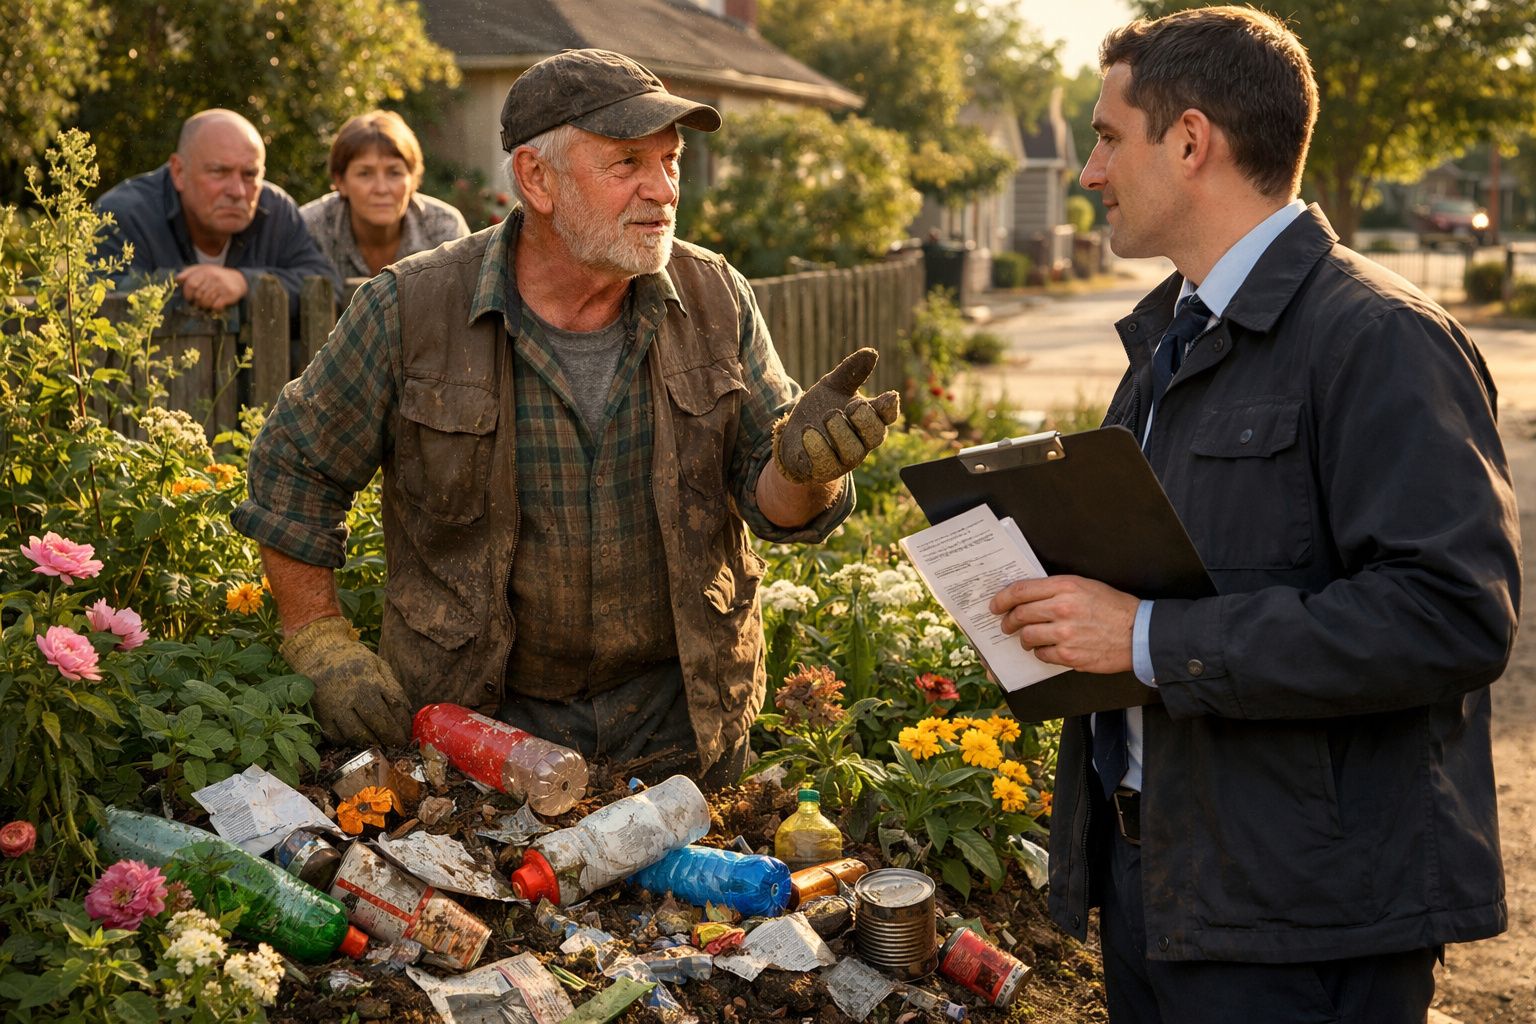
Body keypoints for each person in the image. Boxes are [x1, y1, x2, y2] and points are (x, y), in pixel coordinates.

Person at [988, 8, 1519, 1022]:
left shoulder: (1380, 338)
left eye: (1107, 138)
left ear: (1191, 142)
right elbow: (1174, 577)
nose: (1090, 173)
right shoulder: (1174, 338)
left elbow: (1451, 614)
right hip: (1160, 890)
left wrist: (1147, 638)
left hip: (1304, 922)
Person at [232, 49, 899, 789]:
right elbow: (295, 470)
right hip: (479, 730)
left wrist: (804, 471)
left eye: (670, 161)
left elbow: (772, 500)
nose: (663, 190)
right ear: (537, 178)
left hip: (682, 724)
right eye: (627, 163)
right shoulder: (411, 308)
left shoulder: (716, 297)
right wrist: (319, 639)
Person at [95, 109, 339, 319]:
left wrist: (244, 283)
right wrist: (191, 288)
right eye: (219, 172)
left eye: (250, 174)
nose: (237, 191)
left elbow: (329, 289)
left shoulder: (277, 211)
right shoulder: (123, 215)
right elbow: (93, 297)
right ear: (179, 172)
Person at [300, 110, 469, 281]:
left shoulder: (444, 229)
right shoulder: (310, 228)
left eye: (394, 173)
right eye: (365, 173)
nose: (381, 189)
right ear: (340, 181)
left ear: (413, 179)